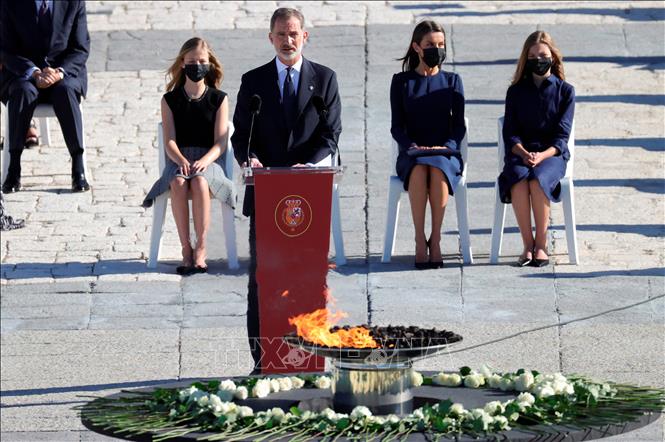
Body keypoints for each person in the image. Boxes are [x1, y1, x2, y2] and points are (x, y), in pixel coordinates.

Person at [231, 7, 342, 373]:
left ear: (305, 36)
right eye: (281, 34)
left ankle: (308, 357)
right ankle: (263, 360)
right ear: (271, 38)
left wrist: (306, 166)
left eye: (294, 34)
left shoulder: (324, 80)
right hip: (267, 196)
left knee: (305, 280)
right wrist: (252, 160)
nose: (288, 40)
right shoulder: (254, 82)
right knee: (263, 280)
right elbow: (241, 135)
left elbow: (330, 133)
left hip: (307, 197)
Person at [142, 37, 237, 275]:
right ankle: (186, 249)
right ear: (183, 62)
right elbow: (169, 140)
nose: (197, 65)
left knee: (200, 181)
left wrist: (204, 162)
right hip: (179, 159)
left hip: (210, 160)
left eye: (202, 61)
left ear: (209, 64)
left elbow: (221, 142)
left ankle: (202, 247)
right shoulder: (170, 100)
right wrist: (182, 161)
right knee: (177, 181)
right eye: (192, 61)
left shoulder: (219, 98)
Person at [390, 20, 465, 270]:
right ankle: (419, 240)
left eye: (441, 44)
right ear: (417, 48)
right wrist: (413, 146)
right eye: (430, 45)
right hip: (413, 152)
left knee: (438, 167)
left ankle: (437, 238)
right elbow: (396, 126)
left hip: (445, 151)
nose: (437, 49)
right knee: (421, 168)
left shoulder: (453, 81)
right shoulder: (402, 82)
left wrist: (444, 146)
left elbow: (458, 127)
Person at [498, 31, 575, 268]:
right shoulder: (516, 91)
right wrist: (523, 153)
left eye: (542, 54)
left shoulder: (565, 91)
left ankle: (541, 244)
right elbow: (510, 132)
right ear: (526, 59)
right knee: (519, 178)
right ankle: (527, 245)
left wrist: (541, 155)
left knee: (538, 179)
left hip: (551, 155)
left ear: (552, 56)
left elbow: (562, 136)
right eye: (532, 56)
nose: (538, 59)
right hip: (522, 153)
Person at [0, 0, 91, 193]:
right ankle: (13, 168)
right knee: (22, 92)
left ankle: (78, 166)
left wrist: (58, 72)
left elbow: (80, 48)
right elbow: (6, 50)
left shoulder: (73, 2)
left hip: (63, 73)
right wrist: (34, 72)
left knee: (65, 91)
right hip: (24, 74)